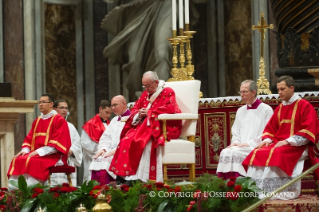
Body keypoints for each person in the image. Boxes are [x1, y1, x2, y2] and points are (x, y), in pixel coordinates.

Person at [242, 75, 319, 200]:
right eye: (278, 90)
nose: (280, 92)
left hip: (298, 145)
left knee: (277, 153)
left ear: (292, 88)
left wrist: (287, 141)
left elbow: (309, 131)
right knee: (258, 151)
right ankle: (256, 190)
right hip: (279, 143)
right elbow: (270, 128)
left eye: (282, 89)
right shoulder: (281, 107)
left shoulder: (304, 106)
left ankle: (280, 190)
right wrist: (267, 140)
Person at [109, 71, 182, 184]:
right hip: (143, 126)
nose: (146, 88)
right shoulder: (145, 95)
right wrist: (139, 113)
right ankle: (124, 176)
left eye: (148, 85)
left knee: (140, 141)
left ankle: (141, 178)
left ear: (156, 82)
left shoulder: (167, 92)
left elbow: (170, 109)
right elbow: (135, 109)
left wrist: (149, 112)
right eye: (144, 86)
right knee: (125, 140)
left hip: (160, 126)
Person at [7, 94, 71, 189]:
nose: (41, 104)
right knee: (18, 159)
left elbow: (57, 142)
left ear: (51, 104)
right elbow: (29, 138)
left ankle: (33, 190)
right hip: (37, 154)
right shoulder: (37, 121)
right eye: (39, 102)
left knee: (31, 161)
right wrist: (25, 150)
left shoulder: (59, 120)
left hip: (52, 155)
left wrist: (38, 152)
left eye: (44, 102)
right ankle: (16, 191)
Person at [216, 80, 273, 179]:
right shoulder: (240, 111)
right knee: (225, 152)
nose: (241, 95)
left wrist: (250, 143)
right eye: (240, 92)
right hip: (241, 146)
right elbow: (236, 131)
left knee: (236, 153)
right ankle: (226, 186)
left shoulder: (266, 110)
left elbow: (268, 132)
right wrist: (235, 141)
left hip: (256, 146)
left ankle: (240, 186)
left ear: (253, 92)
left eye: (245, 92)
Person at [89, 95, 131, 185]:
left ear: (124, 104)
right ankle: (97, 192)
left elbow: (130, 139)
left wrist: (116, 151)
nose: (113, 108)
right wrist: (103, 149)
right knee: (98, 160)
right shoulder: (114, 120)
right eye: (112, 106)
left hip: (124, 151)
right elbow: (106, 137)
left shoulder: (132, 119)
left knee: (106, 163)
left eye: (115, 105)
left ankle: (108, 190)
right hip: (111, 150)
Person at [52, 99, 82, 186]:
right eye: (62, 108)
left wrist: (71, 150)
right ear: (54, 109)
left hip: (68, 160)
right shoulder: (50, 125)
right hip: (55, 161)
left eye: (66, 108)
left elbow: (77, 142)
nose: (65, 110)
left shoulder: (70, 126)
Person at [81, 100, 112, 183]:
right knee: (92, 180)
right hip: (93, 156)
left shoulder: (111, 124)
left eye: (110, 113)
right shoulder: (90, 124)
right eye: (106, 112)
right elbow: (85, 143)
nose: (108, 115)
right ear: (100, 109)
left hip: (107, 159)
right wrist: (100, 151)